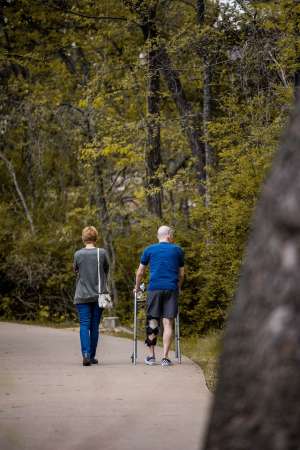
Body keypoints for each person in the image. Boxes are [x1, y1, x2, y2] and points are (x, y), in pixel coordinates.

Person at [134, 225, 185, 367]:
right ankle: (165, 358)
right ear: (168, 235)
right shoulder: (177, 250)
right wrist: (178, 287)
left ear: (158, 236)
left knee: (152, 321)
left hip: (154, 288)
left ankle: (151, 356)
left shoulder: (149, 250)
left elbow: (140, 272)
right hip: (171, 288)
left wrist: (137, 288)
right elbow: (181, 274)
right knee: (168, 323)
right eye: (172, 234)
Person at [73, 226, 109, 366]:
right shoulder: (102, 253)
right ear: (96, 238)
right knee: (94, 325)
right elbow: (106, 271)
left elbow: (75, 270)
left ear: (83, 238)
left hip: (82, 295)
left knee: (84, 324)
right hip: (99, 295)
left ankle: (86, 354)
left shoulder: (78, 254)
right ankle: (92, 356)